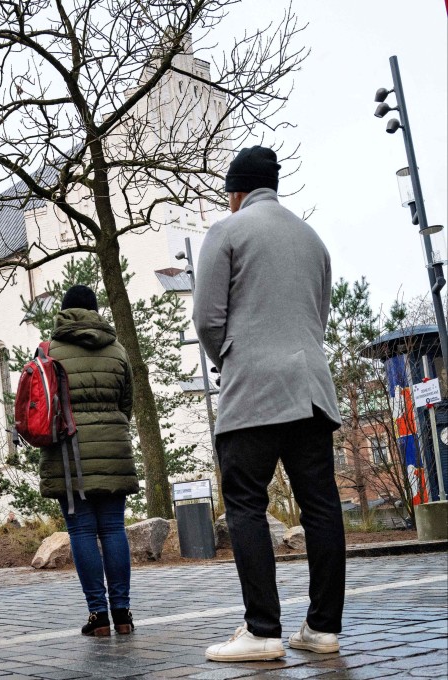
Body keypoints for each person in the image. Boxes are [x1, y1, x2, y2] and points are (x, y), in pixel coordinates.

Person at [193, 145, 345, 662]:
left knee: (245, 505)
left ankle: (262, 630)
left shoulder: (228, 231)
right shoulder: (313, 239)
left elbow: (208, 319)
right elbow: (318, 317)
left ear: (236, 191)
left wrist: (229, 360)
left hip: (253, 391)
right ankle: (323, 629)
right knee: (322, 507)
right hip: (311, 390)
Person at [37, 284, 139, 637]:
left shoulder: (49, 351)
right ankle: (123, 613)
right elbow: (128, 403)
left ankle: (98, 615)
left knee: (81, 530)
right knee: (113, 528)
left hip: (69, 455)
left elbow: (40, 407)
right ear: (95, 311)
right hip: (113, 448)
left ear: (64, 312)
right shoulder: (117, 350)